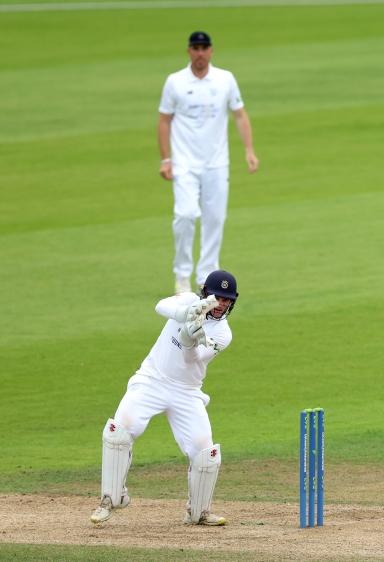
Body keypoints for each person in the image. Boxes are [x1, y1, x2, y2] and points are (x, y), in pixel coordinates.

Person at [89, 270, 239, 526]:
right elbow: (160, 305)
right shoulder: (189, 299)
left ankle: (198, 512)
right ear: (206, 293)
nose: (221, 304)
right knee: (119, 430)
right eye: (217, 297)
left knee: (205, 452)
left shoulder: (223, 333)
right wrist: (186, 314)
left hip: (186, 391)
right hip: (152, 379)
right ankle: (111, 499)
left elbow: (192, 359)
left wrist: (188, 339)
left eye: (227, 300)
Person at [158, 31, 259, 295]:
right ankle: (182, 275)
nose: (200, 52)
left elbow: (239, 115)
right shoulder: (175, 81)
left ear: (211, 51)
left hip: (216, 163)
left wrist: (249, 150)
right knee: (185, 214)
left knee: (215, 219)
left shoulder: (225, 79)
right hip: (185, 164)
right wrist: (166, 159)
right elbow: (164, 120)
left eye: (204, 48)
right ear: (189, 51)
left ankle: (205, 276)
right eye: (196, 48)